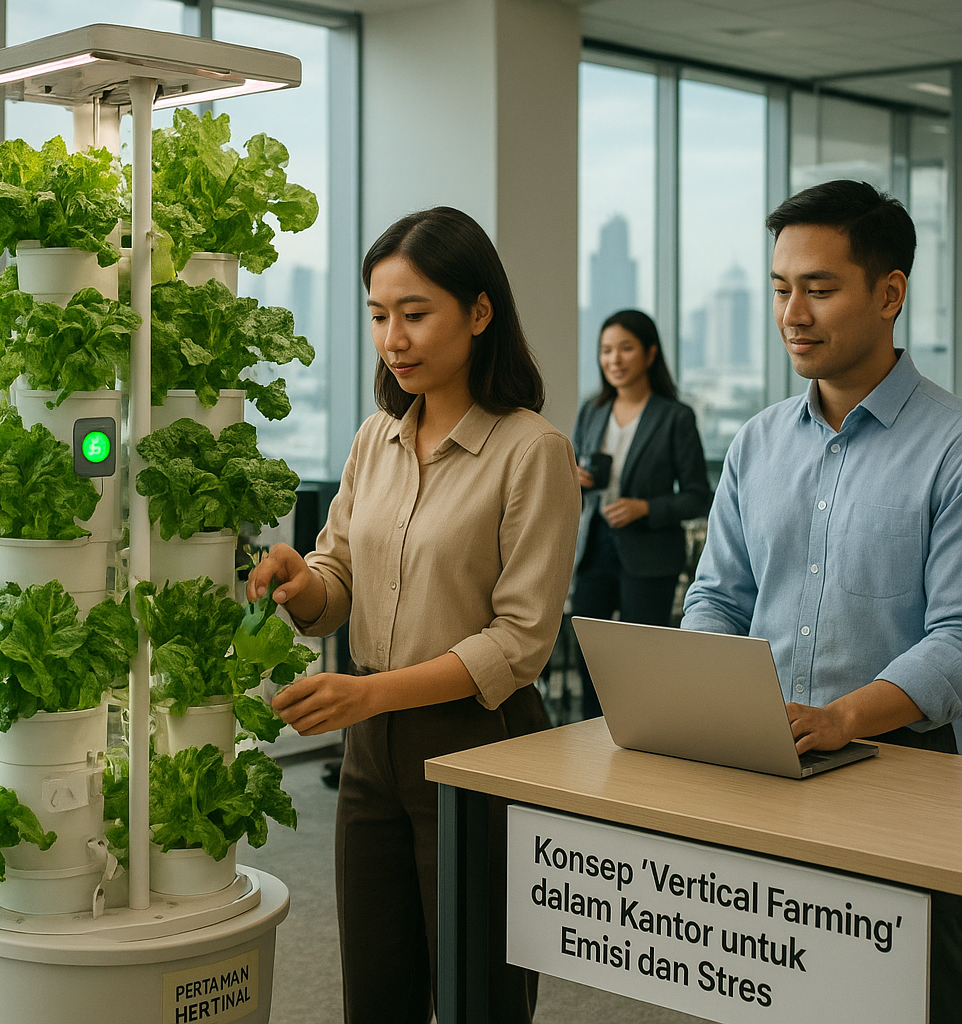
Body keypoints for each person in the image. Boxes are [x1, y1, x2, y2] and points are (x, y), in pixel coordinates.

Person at [247, 206, 581, 1024]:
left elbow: (519, 642)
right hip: (373, 752)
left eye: (415, 314)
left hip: (480, 742)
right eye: (378, 315)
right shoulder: (374, 439)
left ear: (478, 311)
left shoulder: (530, 450)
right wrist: (302, 580)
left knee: (480, 995)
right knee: (377, 988)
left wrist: (370, 695)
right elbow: (339, 583)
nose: (393, 338)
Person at [681, 178, 962, 1024]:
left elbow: (956, 636)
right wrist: (699, 686)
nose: (792, 313)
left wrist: (841, 718)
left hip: (904, 778)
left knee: (904, 1002)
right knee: (766, 993)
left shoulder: (950, 447)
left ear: (890, 293)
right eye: (779, 288)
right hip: (766, 766)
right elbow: (718, 600)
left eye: (819, 288)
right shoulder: (756, 443)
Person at [570, 309, 711, 718]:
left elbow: (698, 496)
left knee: (639, 659)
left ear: (650, 354)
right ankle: (588, 736)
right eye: (606, 350)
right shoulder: (592, 411)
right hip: (594, 548)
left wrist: (644, 507)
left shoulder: (675, 417)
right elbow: (579, 484)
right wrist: (575, 480)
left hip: (649, 555)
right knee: (589, 654)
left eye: (625, 349)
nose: (614, 359)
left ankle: (641, 738)